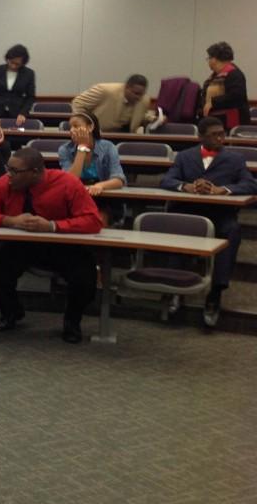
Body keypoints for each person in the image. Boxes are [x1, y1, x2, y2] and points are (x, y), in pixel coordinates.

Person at [0, 147, 104, 344]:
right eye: (7, 169)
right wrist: (10, 221)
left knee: (84, 277)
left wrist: (53, 226)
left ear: (35, 172)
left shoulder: (67, 183)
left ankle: (72, 321)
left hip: (63, 245)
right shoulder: (6, 183)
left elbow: (93, 220)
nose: (8, 175)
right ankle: (11, 312)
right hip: (21, 244)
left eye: (14, 171)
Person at [160, 117, 257, 327]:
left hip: (219, 213)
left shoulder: (235, 159)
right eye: (215, 134)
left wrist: (224, 190)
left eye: (222, 133)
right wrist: (186, 187)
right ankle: (175, 289)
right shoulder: (185, 157)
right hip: (188, 212)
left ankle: (215, 293)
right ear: (201, 137)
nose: (221, 138)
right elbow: (167, 180)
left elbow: (250, 185)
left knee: (232, 231)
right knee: (176, 229)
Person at [58, 112, 125, 225]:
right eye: (70, 127)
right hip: (75, 197)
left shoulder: (108, 147)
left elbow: (118, 179)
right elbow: (70, 180)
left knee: (98, 220)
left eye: (76, 126)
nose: (71, 130)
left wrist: (100, 186)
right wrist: (82, 148)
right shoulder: (65, 150)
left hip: (103, 198)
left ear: (90, 127)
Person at [72, 74, 151, 133]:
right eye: (136, 93)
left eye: (142, 94)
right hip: (98, 133)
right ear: (126, 87)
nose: (139, 97)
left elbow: (141, 116)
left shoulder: (144, 100)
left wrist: (153, 119)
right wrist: (85, 126)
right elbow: (78, 103)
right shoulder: (105, 91)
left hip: (126, 135)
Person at [200, 42, 251, 129]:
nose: (208, 61)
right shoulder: (213, 77)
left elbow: (236, 96)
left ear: (214, 59)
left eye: (209, 58)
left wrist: (213, 102)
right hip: (214, 120)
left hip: (231, 122)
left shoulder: (234, 74)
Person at [0, 44, 35, 126]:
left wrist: (23, 113)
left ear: (23, 63)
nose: (13, 66)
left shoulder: (29, 74)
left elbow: (30, 97)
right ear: (8, 59)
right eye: (11, 62)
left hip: (17, 114)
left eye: (17, 64)